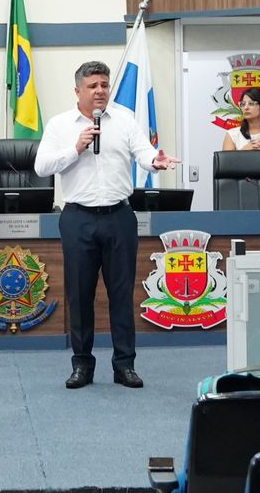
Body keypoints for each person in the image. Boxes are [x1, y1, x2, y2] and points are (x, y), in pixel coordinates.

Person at [35, 61, 179, 390]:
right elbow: (42, 166)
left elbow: (144, 153)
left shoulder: (125, 119)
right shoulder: (60, 125)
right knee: (80, 295)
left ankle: (124, 365)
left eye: (104, 84)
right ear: (78, 91)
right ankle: (82, 365)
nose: (100, 91)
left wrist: (155, 161)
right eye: (93, 86)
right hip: (78, 218)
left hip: (119, 217)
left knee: (121, 293)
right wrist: (75, 148)